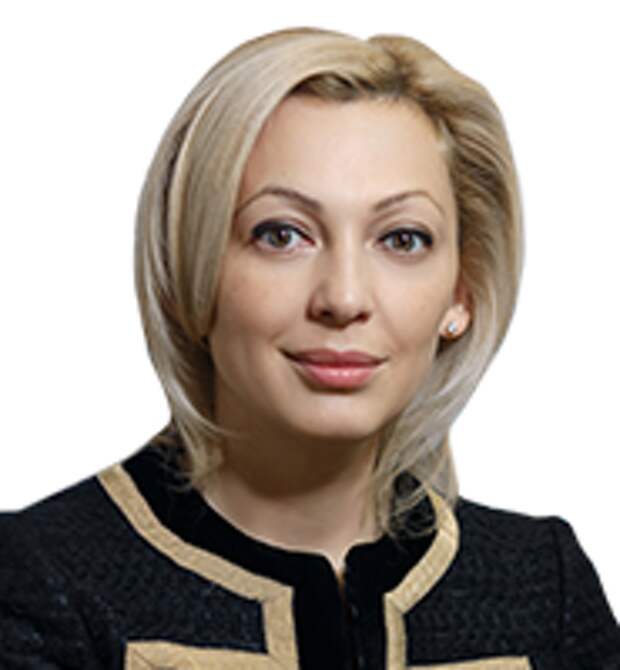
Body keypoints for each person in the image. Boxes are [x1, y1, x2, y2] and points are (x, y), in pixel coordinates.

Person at [0, 26, 618, 670]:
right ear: (193, 269)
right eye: (282, 235)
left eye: (402, 239)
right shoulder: (43, 580)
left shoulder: (544, 588)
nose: (343, 298)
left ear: (462, 292)